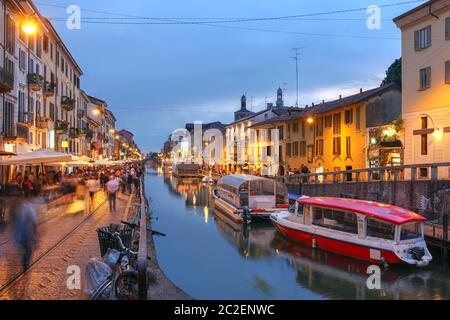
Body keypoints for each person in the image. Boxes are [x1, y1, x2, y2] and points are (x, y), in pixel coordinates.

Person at [10, 200, 38, 270]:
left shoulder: (18, 209)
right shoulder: (29, 207)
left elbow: (14, 222)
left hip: (21, 233)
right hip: (27, 232)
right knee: (28, 248)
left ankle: (25, 261)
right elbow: (34, 220)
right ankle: (26, 262)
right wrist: (35, 229)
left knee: (24, 247)